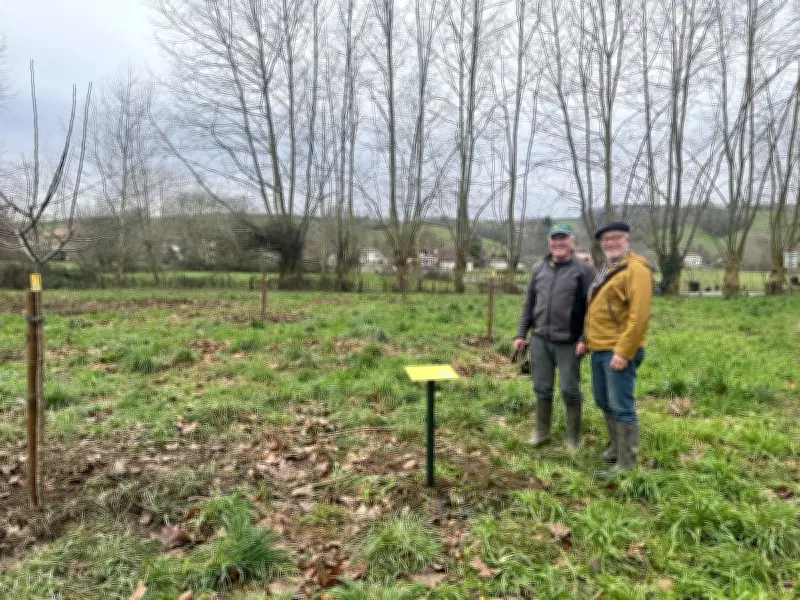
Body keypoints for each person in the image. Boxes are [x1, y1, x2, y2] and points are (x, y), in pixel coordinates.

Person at [514, 223, 596, 449]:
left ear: (572, 242)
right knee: (542, 388)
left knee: (570, 390)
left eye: (563, 238)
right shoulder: (539, 268)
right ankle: (542, 433)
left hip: (569, 343)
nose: (558, 243)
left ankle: (572, 438)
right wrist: (521, 333)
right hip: (540, 340)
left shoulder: (584, 270)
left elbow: (592, 310)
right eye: (554, 238)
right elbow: (529, 304)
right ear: (549, 242)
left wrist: (584, 338)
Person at [585, 221, 653, 475]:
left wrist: (624, 351)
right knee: (604, 400)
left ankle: (626, 462)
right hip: (599, 347)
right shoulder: (608, 268)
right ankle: (615, 447)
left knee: (621, 404)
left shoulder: (636, 270)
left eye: (616, 238)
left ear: (627, 240)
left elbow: (640, 315)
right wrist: (586, 340)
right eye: (606, 240)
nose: (611, 243)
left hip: (618, 349)